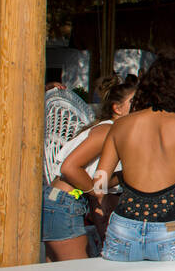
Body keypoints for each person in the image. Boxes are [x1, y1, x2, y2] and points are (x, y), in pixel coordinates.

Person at [95, 52, 175, 262]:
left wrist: (124, 177)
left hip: (123, 227)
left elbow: (98, 184)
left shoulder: (121, 125)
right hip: (170, 226)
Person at [43, 75, 136, 261]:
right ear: (117, 108)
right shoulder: (107, 131)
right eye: (134, 103)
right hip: (65, 203)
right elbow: (70, 168)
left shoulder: (108, 130)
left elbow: (94, 179)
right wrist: (96, 192)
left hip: (60, 202)